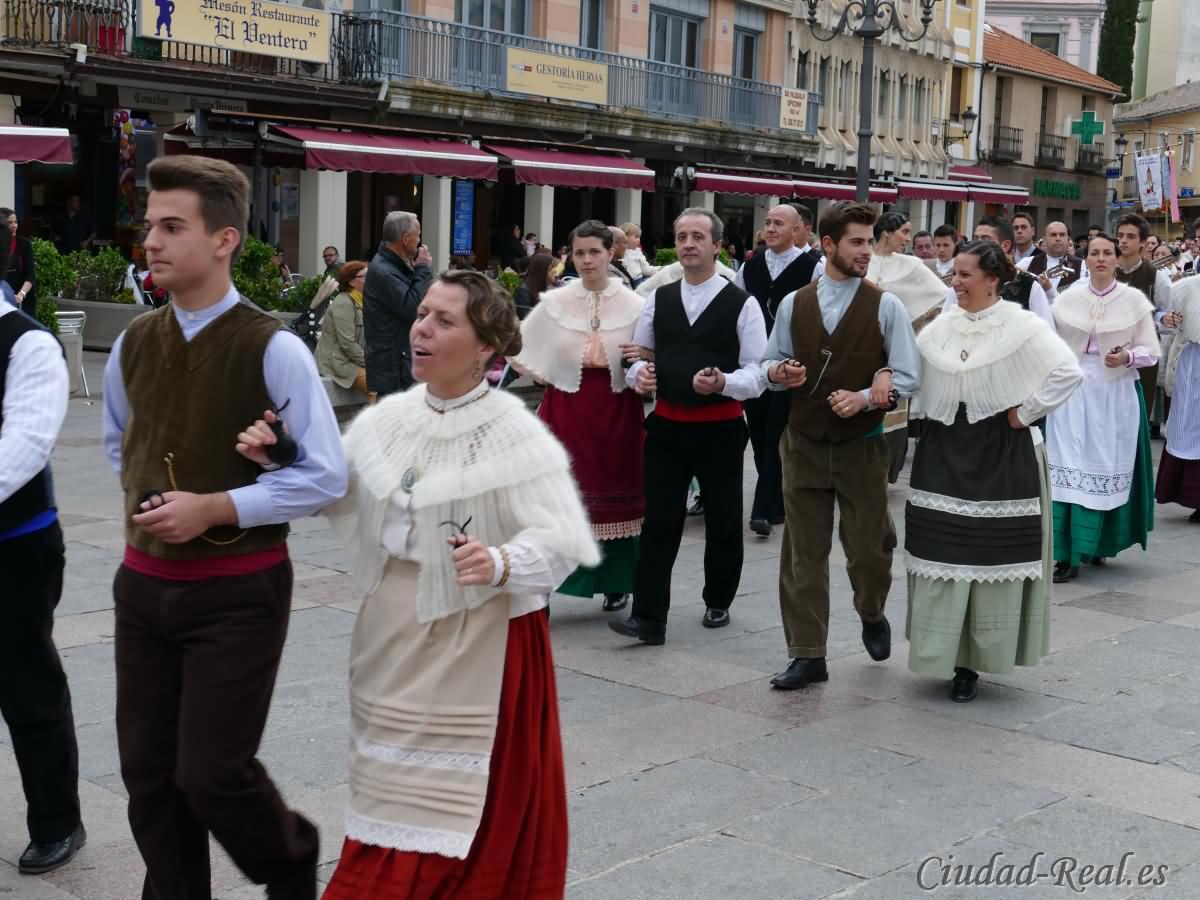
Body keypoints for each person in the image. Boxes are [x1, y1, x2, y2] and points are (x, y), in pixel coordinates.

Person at [101, 155, 347, 899]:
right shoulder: (133, 342)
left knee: (212, 773)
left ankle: (290, 860)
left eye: (173, 227)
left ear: (224, 239)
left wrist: (214, 507)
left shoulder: (273, 346)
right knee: (149, 775)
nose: (152, 241)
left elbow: (326, 476)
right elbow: (121, 445)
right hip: (142, 587)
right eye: (150, 225)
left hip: (237, 593)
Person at [311, 270, 598, 900]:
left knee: (454, 814)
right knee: (391, 796)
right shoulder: (389, 418)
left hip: (482, 639)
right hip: (397, 634)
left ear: (484, 347)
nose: (422, 329)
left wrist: (499, 562)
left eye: (444, 321)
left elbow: (560, 541)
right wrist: (284, 457)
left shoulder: (514, 433)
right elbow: (339, 491)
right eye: (423, 315)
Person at [905, 241, 1082, 703]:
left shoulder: (1021, 326)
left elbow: (1067, 372)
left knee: (986, 557)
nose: (956, 282)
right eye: (955, 273)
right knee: (941, 550)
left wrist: (1025, 412)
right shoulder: (943, 326)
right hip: (944, 449)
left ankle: (971, 663)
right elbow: (912, 374)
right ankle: (942, 651)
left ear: (992, 279)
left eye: (964, 274)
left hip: (999, 452)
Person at [761, 201, 921, 691]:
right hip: (803, 443)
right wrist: (780, 372)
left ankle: (871, 611)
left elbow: (909, 376)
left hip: (862, 447)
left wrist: (867, 396)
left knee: (870, 550)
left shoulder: (886, 306)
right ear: (828, 245)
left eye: (869, 241)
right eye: (856, 242)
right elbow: (768, 364)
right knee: (802, 555)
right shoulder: (794, 304)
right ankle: (807, 653)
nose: (866, 251)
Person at [609, 208, 767, 644]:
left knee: (723, 519)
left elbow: (758, 372)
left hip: (720, 427)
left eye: (698, 236)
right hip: (666, 426)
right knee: (659, 521)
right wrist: (640, 375)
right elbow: (638, 356)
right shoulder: (659, 299)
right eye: (682, 236)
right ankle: (648, 617)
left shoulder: (742, 303)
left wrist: (723, 383)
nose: (689, 244)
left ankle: (718, 598)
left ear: (717, 246)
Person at [0, 234, 85, 876]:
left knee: (27, 685)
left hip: (15, 547)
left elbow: (24, 446)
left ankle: (58, 822)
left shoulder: (28, 343)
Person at [510, 220, 645, 613]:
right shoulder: (555, 303)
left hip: (618, 409)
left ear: (610, 253)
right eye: (579, 253)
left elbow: (648, 353)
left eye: (594, 252)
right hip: (567, 409)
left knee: (616, 491)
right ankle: (545, 580)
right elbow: (520, 346)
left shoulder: (635, 305)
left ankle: (617, 581)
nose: (586, 260)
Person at [1046, 232, 1158, 583]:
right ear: (1086, 258)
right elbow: (1049, 341)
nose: (1100, 259)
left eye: (1107, 253)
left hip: (1115, 392)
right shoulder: (1068, 298)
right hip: (1074, 389)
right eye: (1094, 253)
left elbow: (1151, 350)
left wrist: (1127, 357)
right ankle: (1066, 553)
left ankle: (1098, 543)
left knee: (1106, 464)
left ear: (1116, 259)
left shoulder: (1133, 300)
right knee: (1068, 464)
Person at [736, 204, 820, 538]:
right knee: (759, 435)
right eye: (768, 222)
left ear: (797, 229)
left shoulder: (814, 267)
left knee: (774, 434)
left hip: (791, 364)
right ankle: (778, 499)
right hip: (755, 364)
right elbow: (738, 306)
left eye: (779, 223)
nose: (770, 228)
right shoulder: (751, 264)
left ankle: (762, 509)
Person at [867, 211, 950, 482]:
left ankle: (885, 470)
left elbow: (941, 300)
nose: (907, 238)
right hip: (861, 347)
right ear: (886, 233)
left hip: (895, 350)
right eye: (903, 232)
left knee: (890, 410)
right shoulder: (863, 258)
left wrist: (916, 328)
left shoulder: (911, 265)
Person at [364, 211, 433, 398]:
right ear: (405, 238)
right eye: (418, 235)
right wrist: (423, 269)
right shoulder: (384, 271)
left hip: (398, 362)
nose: (419, 241)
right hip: (393, 367)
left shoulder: (393, 265)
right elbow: (413, 307)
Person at [944, 218, 1054, 327]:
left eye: (985, 239)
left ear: (1005, 245)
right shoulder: (961, 285)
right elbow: (945, 327)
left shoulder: (1029, 286)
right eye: (975, 239)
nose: (977, 246)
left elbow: (1046, 331)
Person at [1155, 276, 1197, 519]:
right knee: (1191, 430)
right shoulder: (1186, 287)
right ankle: (1195, 496)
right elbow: (1161, 314)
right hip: (1195, 364)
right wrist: (1166, 318)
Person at [316, 261, 369, 396]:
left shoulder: (363, 301)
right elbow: (347, 344)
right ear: (351, 282)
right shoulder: (344, 303)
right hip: (339, 363)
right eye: (365, 276)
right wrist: (370, 362)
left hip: (354, 360)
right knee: (377, 386)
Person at [1019, 220, 1085, 300]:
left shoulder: (1081, 265)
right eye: (1053, 235)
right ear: (1044, 239)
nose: (1058, 238)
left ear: (1068, 239)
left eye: (1062, 235)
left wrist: (1049, 290)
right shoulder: (1027, 263)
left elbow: (1081, 300)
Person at [1, 207, 36, 317]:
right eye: (10, 222)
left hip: (23, 301)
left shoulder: (25, 244)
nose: (14, 225)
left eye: (15, 222)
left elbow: (30, 276)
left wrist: (21, 294)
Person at [512, 252, 555, 319]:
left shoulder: (547, 287)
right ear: (541, 271)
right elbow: (526, 318)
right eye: (551, 268)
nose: (554, 271)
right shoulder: (523, 291)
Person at [607, 225, 635, 289]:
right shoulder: (607, 271)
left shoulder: (617, 264)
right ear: (614, 245)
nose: (627, 247)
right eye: (625, 243)